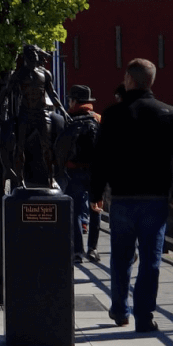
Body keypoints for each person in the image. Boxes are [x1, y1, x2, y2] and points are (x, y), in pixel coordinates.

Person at [90, 58, 173, 334]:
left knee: (120, 257)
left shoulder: (112, 115)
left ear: (129, 80)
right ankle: (145, 315)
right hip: (155, 199)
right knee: (151, 258)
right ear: (151, 81)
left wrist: (96, 193)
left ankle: (120, 309)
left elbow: (101, 158)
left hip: (121, 197)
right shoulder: (169, 114)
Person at [56, 84, 103, 263]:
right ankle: (93, 249)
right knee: (96, 209)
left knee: (75, 210)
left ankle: (77, 251)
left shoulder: (66, 120)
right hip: (95, 172)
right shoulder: (98, 119)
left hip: (73, 170)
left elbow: (60, 147)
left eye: (70, 100)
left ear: (75, 101)